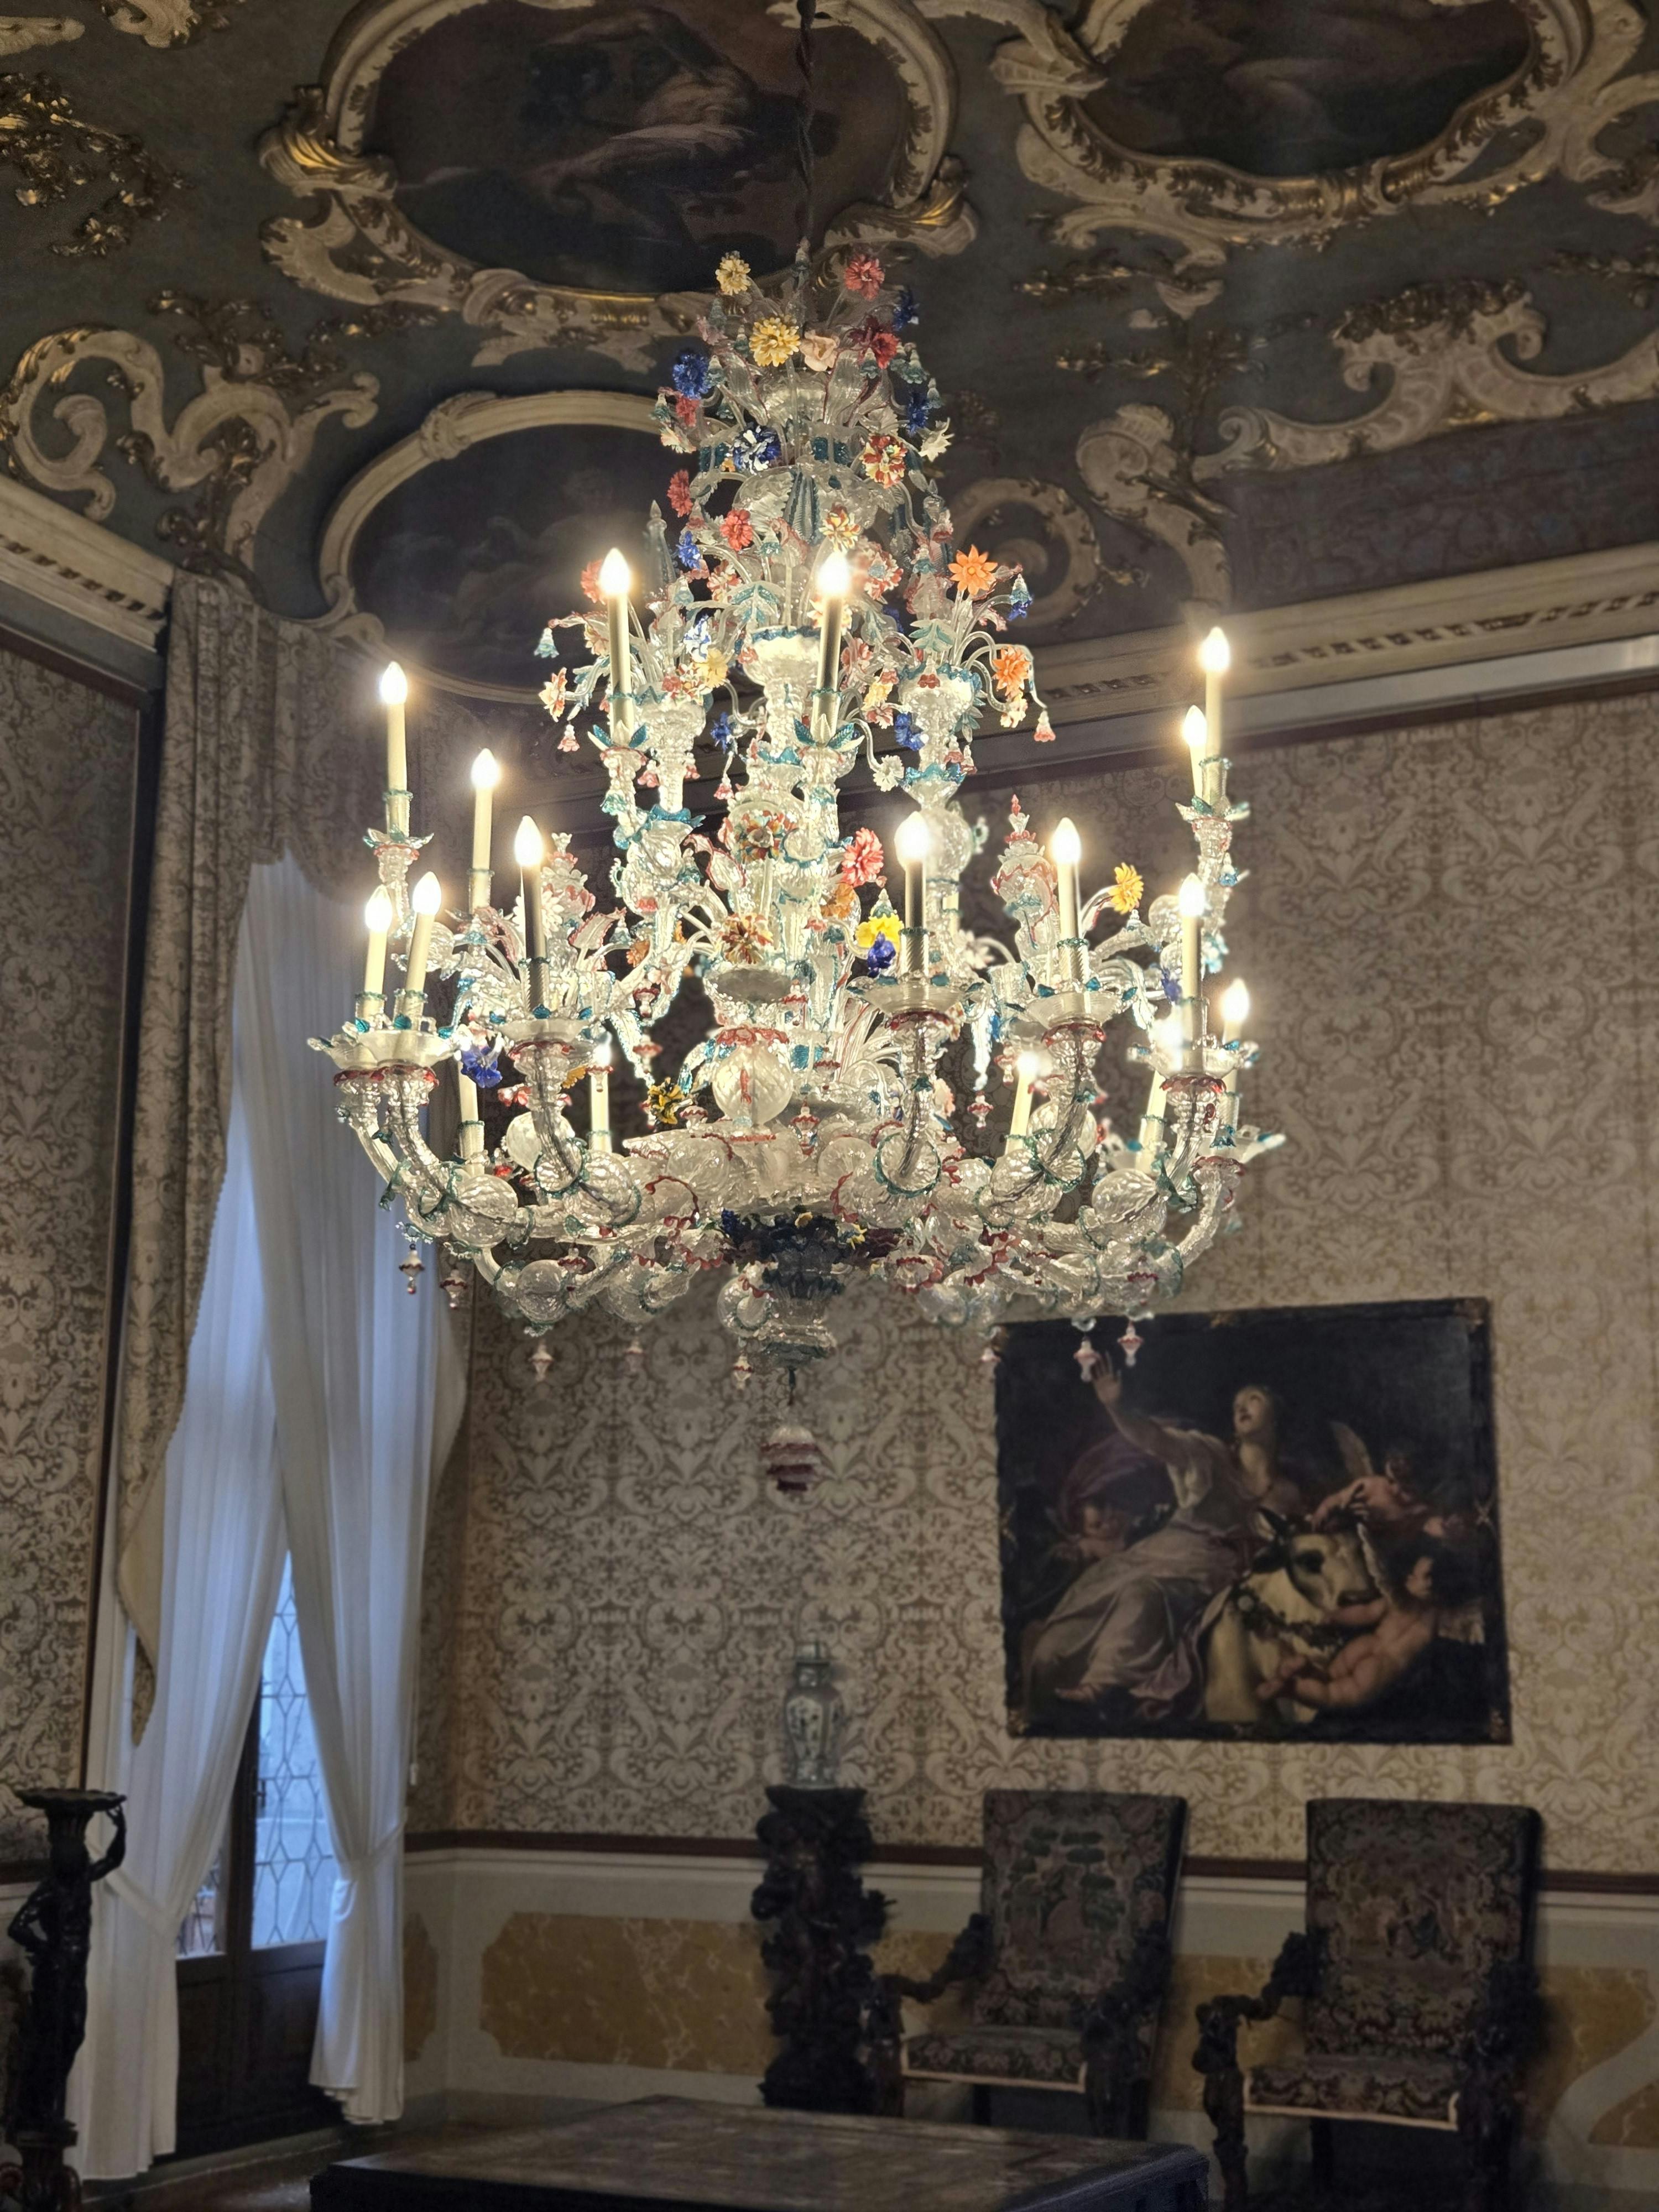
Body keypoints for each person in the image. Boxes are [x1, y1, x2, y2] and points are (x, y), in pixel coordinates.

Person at [1022, 1364, 1305, 1722]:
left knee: (1143, 1595)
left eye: (1254, 1399)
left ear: (1276, 1417)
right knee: (1051, 1654)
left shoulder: (1288, 1494)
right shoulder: (1210, 1454)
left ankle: (1099, 1688)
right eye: (1237, 1403)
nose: (1241, 1406)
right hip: (1161, 1553)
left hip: (1208, 1572)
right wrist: (1116, 1408)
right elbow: (1155, 1440)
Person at [1254, 1538, 1479, 1714]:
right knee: (1333, 1695)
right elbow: (1470, 1620)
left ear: (1430, 1584)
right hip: (1384, 1667)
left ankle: (1302, 1674)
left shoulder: (1397, 1603)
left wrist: (1334, 1616)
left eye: (1415, 1575)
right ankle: (1292, 1688)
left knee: (1330, 1677)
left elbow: (1365, 1613)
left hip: (1365, 1645)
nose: (1408, 1576)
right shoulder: (1439, 1619)